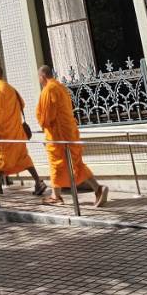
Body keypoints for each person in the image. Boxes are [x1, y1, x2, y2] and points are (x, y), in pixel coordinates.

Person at [35, 65, 108, 206]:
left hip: (57, 135)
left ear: (42, 76)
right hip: (70, 131)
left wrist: (41, 121)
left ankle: (58, 197)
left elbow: (47, 117)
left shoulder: (48, 90)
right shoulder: (61, 87)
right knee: (76, 164)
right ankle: (96, 189)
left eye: (39, 78)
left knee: (56, 164)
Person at [0, 66, 46, 197]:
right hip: (16, 130)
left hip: (4, 132)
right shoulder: (11, 88)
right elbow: (21, 104)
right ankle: (37, 182)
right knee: (22, 157)